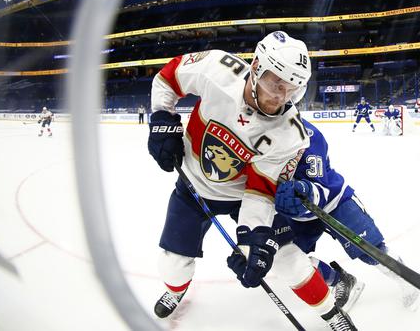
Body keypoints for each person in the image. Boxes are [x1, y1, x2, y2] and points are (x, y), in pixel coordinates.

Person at [147, 31, 356, 329]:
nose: (280, 97)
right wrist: (161, 119)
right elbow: (168, 78)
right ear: (256, 65)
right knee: (173, 265)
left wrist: (253, 237)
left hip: (241, 197)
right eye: (275, 83)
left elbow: (260, 191)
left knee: (286, 257)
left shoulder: (291, 135)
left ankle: (331, 313)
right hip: (192, 188)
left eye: (292, 89)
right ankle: (175, 290)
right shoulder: (217, 69)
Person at [274, 118, 420, 311]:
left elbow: (320, 187)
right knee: (285, 256)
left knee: (370, 251)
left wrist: (304, 191)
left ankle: (405, 279)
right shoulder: (254, 131)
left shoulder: (307, 134)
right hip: (295, 213)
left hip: (333, 202)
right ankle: (341, 281)